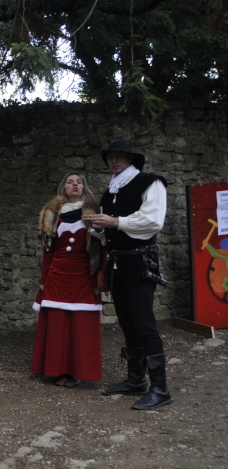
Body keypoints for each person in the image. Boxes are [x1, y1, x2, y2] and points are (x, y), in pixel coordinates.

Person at [86, 140, 172, 410]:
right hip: (117, 263)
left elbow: (152, 221)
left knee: (145, 324)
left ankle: (161, 389)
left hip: (140, 262)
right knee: (127, 322)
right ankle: (136, 380)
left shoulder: (150, 183)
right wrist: (97, 228)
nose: (114, 161)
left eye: (120, 156)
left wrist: (114, 222)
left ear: (132, 159)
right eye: (111, 157)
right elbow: (110, 230)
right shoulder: (111, 191)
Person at [32, 173, 104, 387]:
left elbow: (102, 248)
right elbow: (48, 252)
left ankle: (77, 371)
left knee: (80, 325)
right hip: (58, 275)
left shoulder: (93, 213)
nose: (75, 185)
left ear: (84, 187)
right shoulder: (52, 213)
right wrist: (43, 279)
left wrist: (100, 231)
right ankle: (56, 369)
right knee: (58, 324)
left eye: (79, 182)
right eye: (71, 182)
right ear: (64, 187)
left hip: (83, 275)